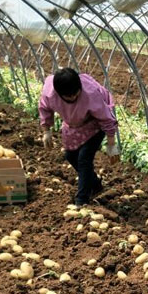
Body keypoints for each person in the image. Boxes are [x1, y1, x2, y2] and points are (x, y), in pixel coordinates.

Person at [39, 68, 120, 206]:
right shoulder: (50, 92)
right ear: (59, 94)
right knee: (71, 156)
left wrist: (112, 145)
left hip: (95, 123)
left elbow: (106, 119)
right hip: (73, 124)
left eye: (76, 94)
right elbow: (44, 108)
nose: (73, 98)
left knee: (84, 159)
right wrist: (46, 131)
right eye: (68, 97)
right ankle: (94, 183)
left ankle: (81, 200)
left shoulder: (91, 93)